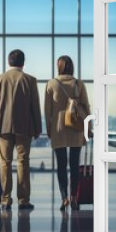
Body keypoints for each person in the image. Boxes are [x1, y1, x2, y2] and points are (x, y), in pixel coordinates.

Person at [0, 49, 42, 210]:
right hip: (24, 127)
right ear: (23, 63)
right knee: (23, 163)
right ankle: (23, 200)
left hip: (3, 128)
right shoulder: (30, 80)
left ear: (8, 62)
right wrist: (37, 128)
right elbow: (35, 106)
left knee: (5, 163)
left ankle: (5, 199)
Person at [45, 55, 91, 211]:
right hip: (76, 127)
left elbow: (47, 110)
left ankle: (64, 197)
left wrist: (49, 127)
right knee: (74, 164)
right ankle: (74, 198)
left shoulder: (51, 84)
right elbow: (86, 106)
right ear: (72, 67)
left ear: (59, 67)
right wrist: (88, 126)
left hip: (59, 129)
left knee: (61, 165)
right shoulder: (79, 84)